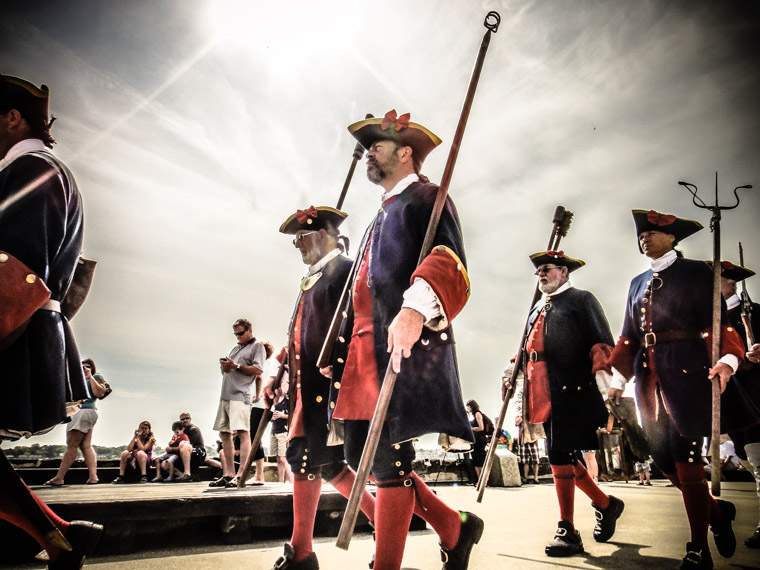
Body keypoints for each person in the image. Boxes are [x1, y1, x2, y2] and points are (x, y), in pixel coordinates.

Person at [326, 110, 483, 570]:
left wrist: (415, 307)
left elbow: (449, 259)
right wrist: (337, 349)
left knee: (390, 462)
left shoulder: (427, 199)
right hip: (363, 355)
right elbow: (361, 292)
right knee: (365, 455)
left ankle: (386, 565)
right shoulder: (379, 216)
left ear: (406, 152)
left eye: (377, 145)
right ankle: (454, 528)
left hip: (401, 347)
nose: (368, 153)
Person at [607, 209, 760, 568]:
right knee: (663, 462)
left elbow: (719, 324)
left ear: (673, 238)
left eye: (652, 231)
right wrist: (618, 380)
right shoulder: (636, 282)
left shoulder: (697, 273)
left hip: (690, 375)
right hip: (649, 381)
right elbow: (629, 336)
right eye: (641, 233)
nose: (644, 236)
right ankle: (719, 515)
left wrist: (728, 361)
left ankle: (698, 548)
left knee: (687, 461)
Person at [0, 73, 103, 567]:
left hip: (14, 332)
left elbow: (15, 274)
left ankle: (54, 534)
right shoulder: (40, 170)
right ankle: (53, 535)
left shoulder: (31, 170)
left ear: (13, 118)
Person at [270, 206, 377, 569]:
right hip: (306, 387)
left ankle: (302, 552)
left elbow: (364, 320)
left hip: (332, 387)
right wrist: (280, 375)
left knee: (308, 459)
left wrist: (345, 360)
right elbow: (302, 335)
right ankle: (379, 521)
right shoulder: (315, 277)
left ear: (321, 234)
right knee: (322, 464)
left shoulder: (345, 271)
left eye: (301, 237)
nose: (297, 245)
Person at [508, 250, 624, 558]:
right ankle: (605, 504)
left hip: (572, 389)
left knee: (559, 454)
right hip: (542, 392)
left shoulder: (582, 299)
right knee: (562, 454)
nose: (541, 275)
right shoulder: (537, 309)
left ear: (563, 271)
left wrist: (606, 385)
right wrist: (514, 374)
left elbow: (601, 342)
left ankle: (568, 529)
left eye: (546, 270)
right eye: (539, 272)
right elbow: (527, 349)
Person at [713, 260, 760, 548]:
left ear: (730, 282)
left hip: (757, 397)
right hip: (732, 401)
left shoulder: (754, 312)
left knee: (758, 460)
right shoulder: (713, 320)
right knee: (747, 460)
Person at [209, 319, 265, 488]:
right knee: (224, 434)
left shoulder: (257, 347)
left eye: (241, 333)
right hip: (225, 396)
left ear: (249, 330)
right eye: (236, 334)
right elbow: (230, 370)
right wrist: (225, 367)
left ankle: (241, 474)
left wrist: (237, 366)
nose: (238, 337)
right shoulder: (236, 348)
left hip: (240, 396)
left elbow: (258, 370)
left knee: (243, 432)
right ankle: (228, 474)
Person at [45, 359, 107, 486]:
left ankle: (59, 477)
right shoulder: (76, 380)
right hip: (88, 413)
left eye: (87, 366)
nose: (84, 368)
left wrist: (90, 377)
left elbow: (99, 393)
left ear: (92, 368)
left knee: (72, 445)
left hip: (83, 411)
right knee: (86, 445)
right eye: (82, 366)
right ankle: (93, 477)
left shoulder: (96, 377)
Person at [247, 340, 274, 485]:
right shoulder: (271, 364)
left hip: (258, 404)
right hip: (267, 406)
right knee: (255, 437)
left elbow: (259, 377)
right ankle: (258, 474)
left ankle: (259, 475)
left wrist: (257, 395)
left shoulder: (260, 365)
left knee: (254, 438)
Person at [269, 372, 292, 484]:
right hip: (274, 430)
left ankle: (291, 481)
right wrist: (272, 417)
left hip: (283, 430)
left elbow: (293, 416)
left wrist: (282, 415)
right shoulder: (275, 401)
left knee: (283, 457)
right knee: (278, 458)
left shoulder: (288, 401)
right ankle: (281, 481)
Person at [466, 400, 493, 481]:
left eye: (468, 406)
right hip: (476, 440)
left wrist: (470, 429)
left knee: (480, 460)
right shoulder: (475, 415)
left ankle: (483, 480)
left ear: (471, 406)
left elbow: (481, 428)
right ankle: (480, 479)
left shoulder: (478, 414)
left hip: (480, 440)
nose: (468, 408)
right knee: (476, 460)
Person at [176, 412, 207, 481]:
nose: (185, 420)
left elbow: (189, 444)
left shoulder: (193, 429)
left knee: (185, 446)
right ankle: (181, 475)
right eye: (182, 419)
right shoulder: (180, 431)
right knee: (165, 463)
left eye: (186, 418)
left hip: (199, 452)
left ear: (190, 419)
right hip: (187, 453)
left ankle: (187, 474)